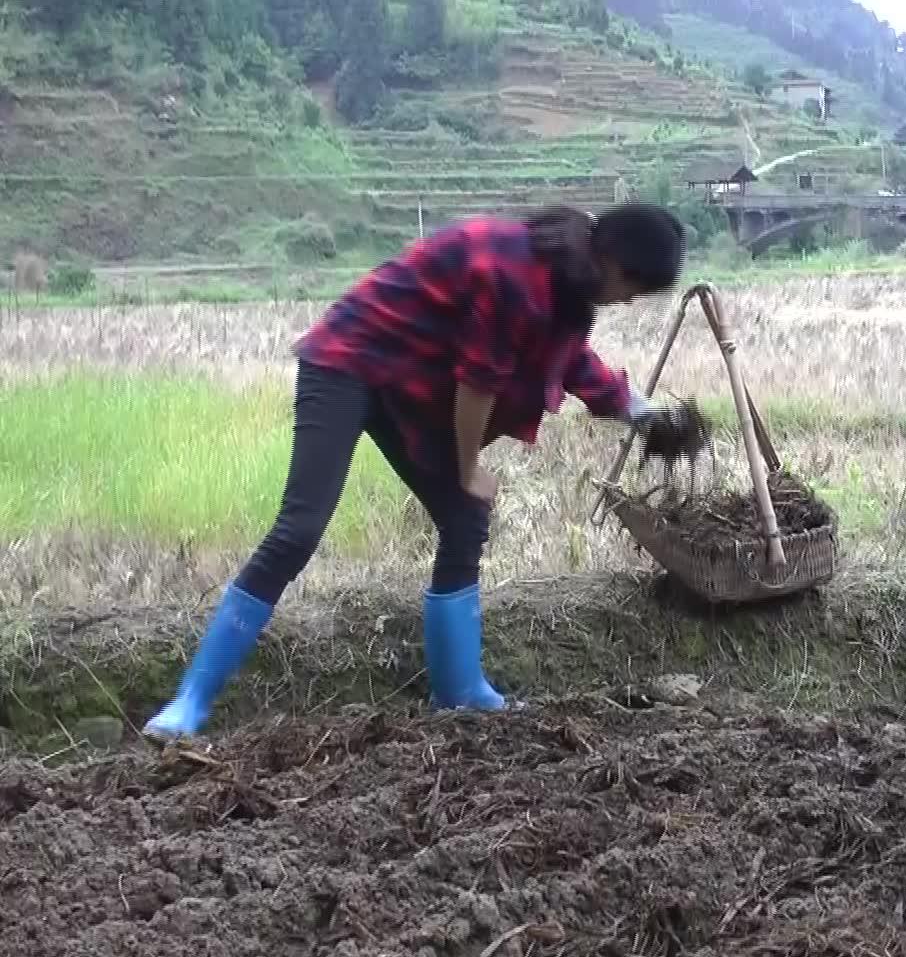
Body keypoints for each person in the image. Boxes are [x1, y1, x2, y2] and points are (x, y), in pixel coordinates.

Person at [144, 203, 704, 742]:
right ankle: (189, 702)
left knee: (464, 522)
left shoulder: (565, 275)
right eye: (634, 289)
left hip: (408, 385)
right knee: (299, 529)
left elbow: (565, 356)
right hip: (347, 363)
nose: (629, 302)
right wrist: (466, 469)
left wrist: (636, 406)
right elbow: (478, 387)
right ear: (614, 262)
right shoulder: (515, 274)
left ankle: (459, 692)